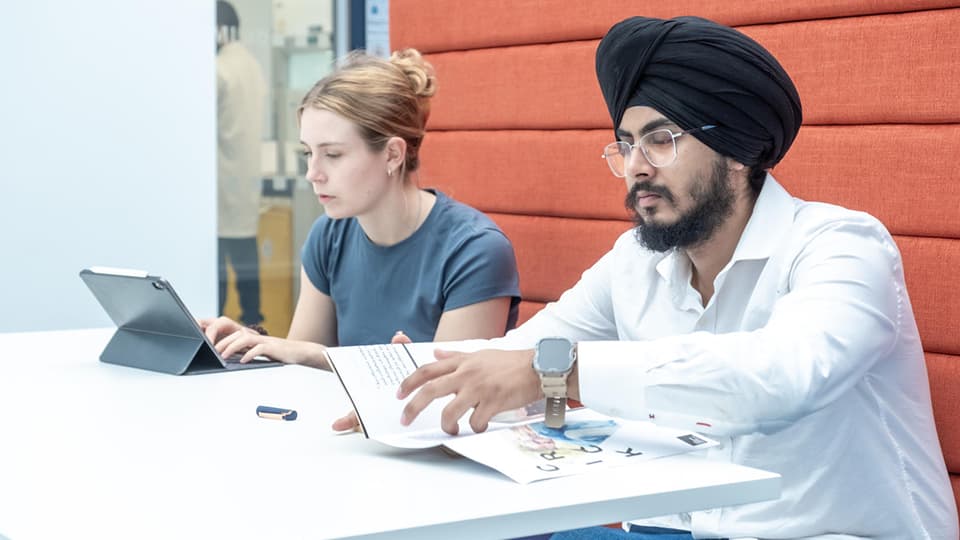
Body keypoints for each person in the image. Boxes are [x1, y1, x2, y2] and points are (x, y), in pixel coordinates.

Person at [394, 16, 958, 539]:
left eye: (661, 140)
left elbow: (782, 376)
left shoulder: (842, 245)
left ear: (737, 151)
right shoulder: (634, 260)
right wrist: (410, 379)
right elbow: (520, 355)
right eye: (625, 145)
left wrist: (558, 372)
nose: (636, 166)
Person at [201, 48, 521, 372]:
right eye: (308, 153)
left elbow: (447, 392)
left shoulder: (475, 251)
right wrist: (253, 347)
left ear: (392, 154)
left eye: (333, 155)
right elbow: (301, 364)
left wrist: (314, 355)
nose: (313, 173)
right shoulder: (328, 236)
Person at [216, 0, 267, 326]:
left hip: (222, 179)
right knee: (246, 256)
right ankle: (254, 325)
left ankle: (214, 330)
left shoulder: (218, 69)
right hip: (246, 177)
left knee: (218, 271)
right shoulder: (251, 65)